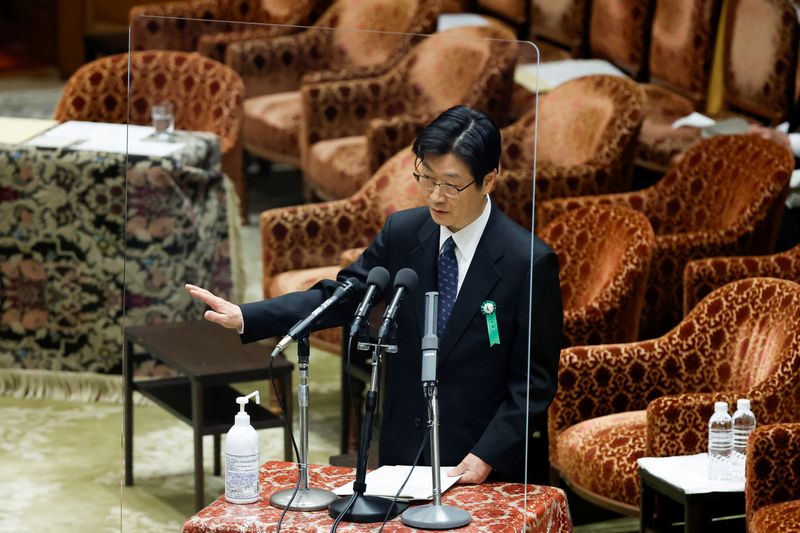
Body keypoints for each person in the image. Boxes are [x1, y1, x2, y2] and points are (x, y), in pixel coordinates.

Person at [186, 105, 562, 484]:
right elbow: (344, 296)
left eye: (451, 184)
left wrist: (486, 454)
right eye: (426, 179)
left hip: (482, 460)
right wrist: (249, 316)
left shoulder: (526, 262)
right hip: (402, 448)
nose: (435, 196)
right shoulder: (404, 232)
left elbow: (534, 381)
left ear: (489, 180)